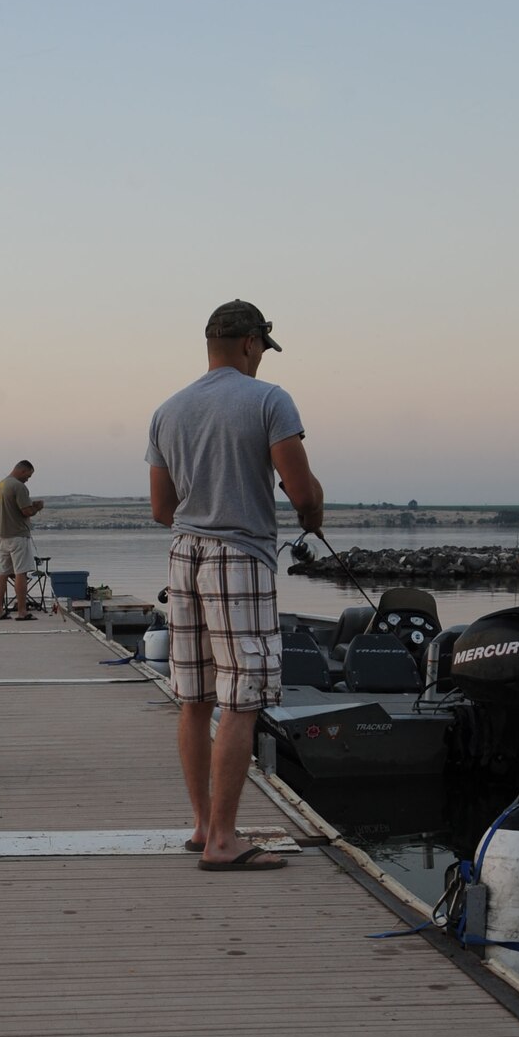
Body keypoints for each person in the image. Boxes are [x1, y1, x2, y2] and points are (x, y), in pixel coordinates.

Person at [146, 299, 323, 872]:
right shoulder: (269, 400)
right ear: (251, 344)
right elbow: (301, 493)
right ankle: (225, 841)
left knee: (195, 701)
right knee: (242, 699)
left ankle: (203, 827)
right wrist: (312, 513)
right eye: (262, 352)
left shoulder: (168, 410)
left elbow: (160, 508)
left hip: (183, 557)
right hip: (239, 557)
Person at [0, 459, 44, 619]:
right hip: (18, 536)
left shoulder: (1, 485)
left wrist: (29, 505)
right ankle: (22, 611)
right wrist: (37, 507)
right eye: (28, 475)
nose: (28, 479)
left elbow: (12, 506)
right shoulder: (19, 486)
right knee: (21, 572)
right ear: (22, 470)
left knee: (2, 573)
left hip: (2, 536)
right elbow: (26, 511)